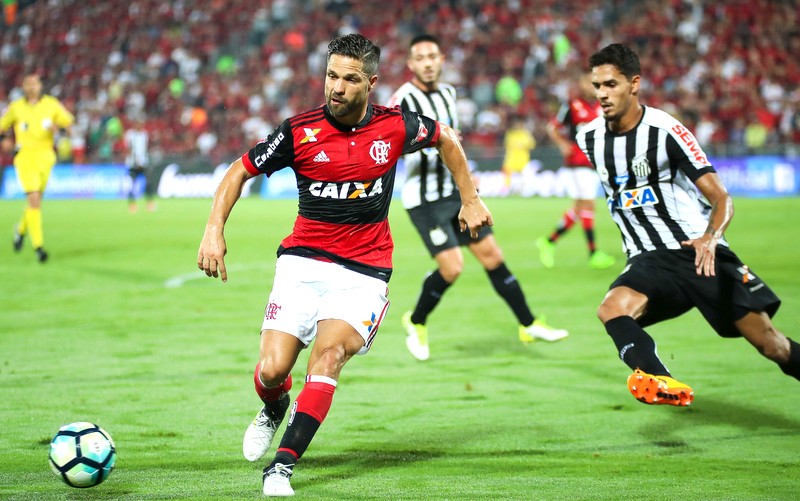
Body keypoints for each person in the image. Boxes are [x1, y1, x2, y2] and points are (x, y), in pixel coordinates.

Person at [197, 34, 492, 497]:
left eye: (349, 79)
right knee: (273, 371)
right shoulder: (299, 131)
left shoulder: (396, 127)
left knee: (329, 356)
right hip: (302, 262)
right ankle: (274, 408)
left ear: (371, 83)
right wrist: (214, 229)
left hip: (364, 271)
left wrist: (470, 197)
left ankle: (281, 467)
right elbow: (238, 171)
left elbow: (446, 138)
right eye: (331, 75)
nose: (336, 87)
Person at [576, 43, 799, 407]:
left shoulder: (667, 131)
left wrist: (712, 238)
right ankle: (660, 381)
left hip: (697, 252)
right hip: (649, 259)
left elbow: (722, 198)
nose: (601, 93)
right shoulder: (589, 138)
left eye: (611, 84)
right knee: (611, 308)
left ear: (634, 84)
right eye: (597, 85)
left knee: (771, 345)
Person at [387, 34, 568, 362]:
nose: (427, 63)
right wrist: (431, 139)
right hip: (424, 200)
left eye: (432, 56)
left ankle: (528, 324)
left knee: (492, 256)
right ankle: (416, 321)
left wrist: (468, 186)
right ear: (411, 64)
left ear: (441, 59)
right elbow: (389, 144)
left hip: (455, 194)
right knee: (452, 267)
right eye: (420, 58)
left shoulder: (449, 93)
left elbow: (454, 143)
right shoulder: (401, 99)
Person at [537, 72, 616, 270]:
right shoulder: (572, 105)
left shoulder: (601, 107)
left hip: (593, 163)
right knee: (588, 206)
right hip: (576, 163)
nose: (592, 86)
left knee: (581, 208)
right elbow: (552, 128)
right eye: (589, 83)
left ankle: (549, 241)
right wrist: (563, 144)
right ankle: (593, 253)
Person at [1, 73, 74, 263]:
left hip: (46, 157)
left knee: (35, 202)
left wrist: (58, 130)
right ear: (23, 87)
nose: (31, 87)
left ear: (40, 86)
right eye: (27, 84)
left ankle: (20, 229)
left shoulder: (51, 104)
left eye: (34, 83)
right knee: (34, 200)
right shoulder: (16, 107)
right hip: (25, 157)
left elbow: (69, 124)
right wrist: (6, 140)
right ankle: (39, 247)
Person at [123, 115, 155, 213]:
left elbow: (144, 149)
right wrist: (135, 161)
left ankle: (149, 203)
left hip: (143, 163)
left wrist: (144, 160)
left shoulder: (144, 134)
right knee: (132, 184)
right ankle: (132, 204)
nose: (140, 126)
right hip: (133, 163)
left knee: (148, 183)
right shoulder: (130, 135)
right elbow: (129, 149)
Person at [501, 114, 536, 192]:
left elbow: (532, 145)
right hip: (511, 159)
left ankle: (524, 190)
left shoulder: (526, 134)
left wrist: (522, 145)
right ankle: (506, 189)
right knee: (507, 174)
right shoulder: (510, 134)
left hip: (523, 159)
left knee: (525, 176)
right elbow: (507, 144)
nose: (518, 126)